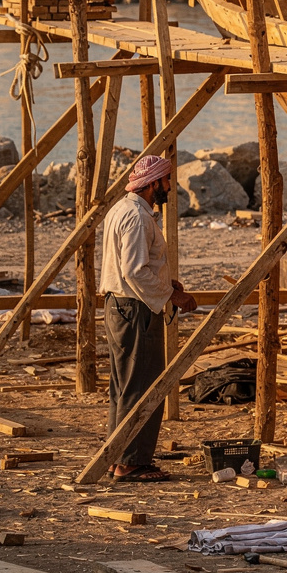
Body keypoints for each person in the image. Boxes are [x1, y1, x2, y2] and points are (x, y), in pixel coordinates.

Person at [97, 154, 198, 482]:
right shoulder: (137, 217)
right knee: (142, 387)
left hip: (121, 306)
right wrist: (173, 296)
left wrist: (166, 283)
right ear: (153, 183)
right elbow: (135, 271)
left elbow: (133, 267)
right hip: (135, 310)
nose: (169, 186)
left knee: (124, 387)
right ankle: (131, 462)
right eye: (166, 180)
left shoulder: (122, 209)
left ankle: (116, 457)